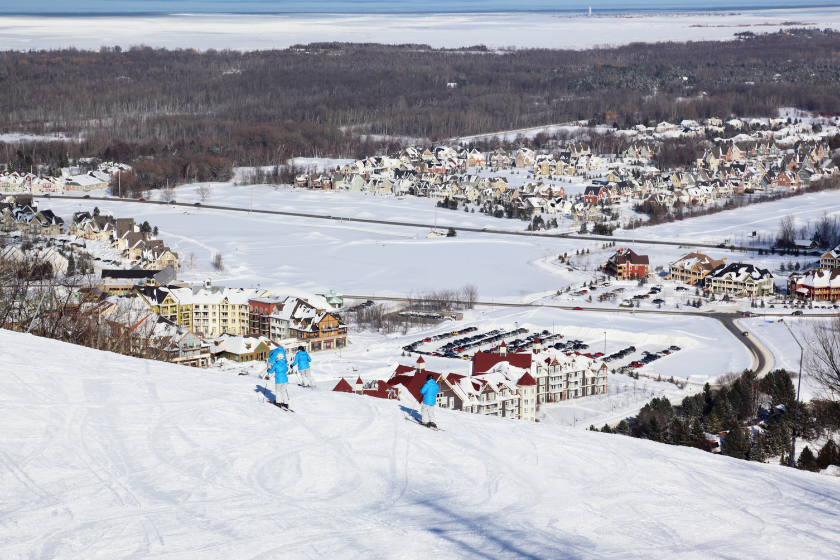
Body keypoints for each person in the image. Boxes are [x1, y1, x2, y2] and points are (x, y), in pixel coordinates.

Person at [267, 344, 290, 409]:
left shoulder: (276, 364)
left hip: (279, 380)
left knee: (278, 391)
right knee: (284, 391)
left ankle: (278, 402)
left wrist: (268, 370)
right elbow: (286, 370)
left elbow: (271, 371)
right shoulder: (285, 364)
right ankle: (286, 403)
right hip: (285, 380)